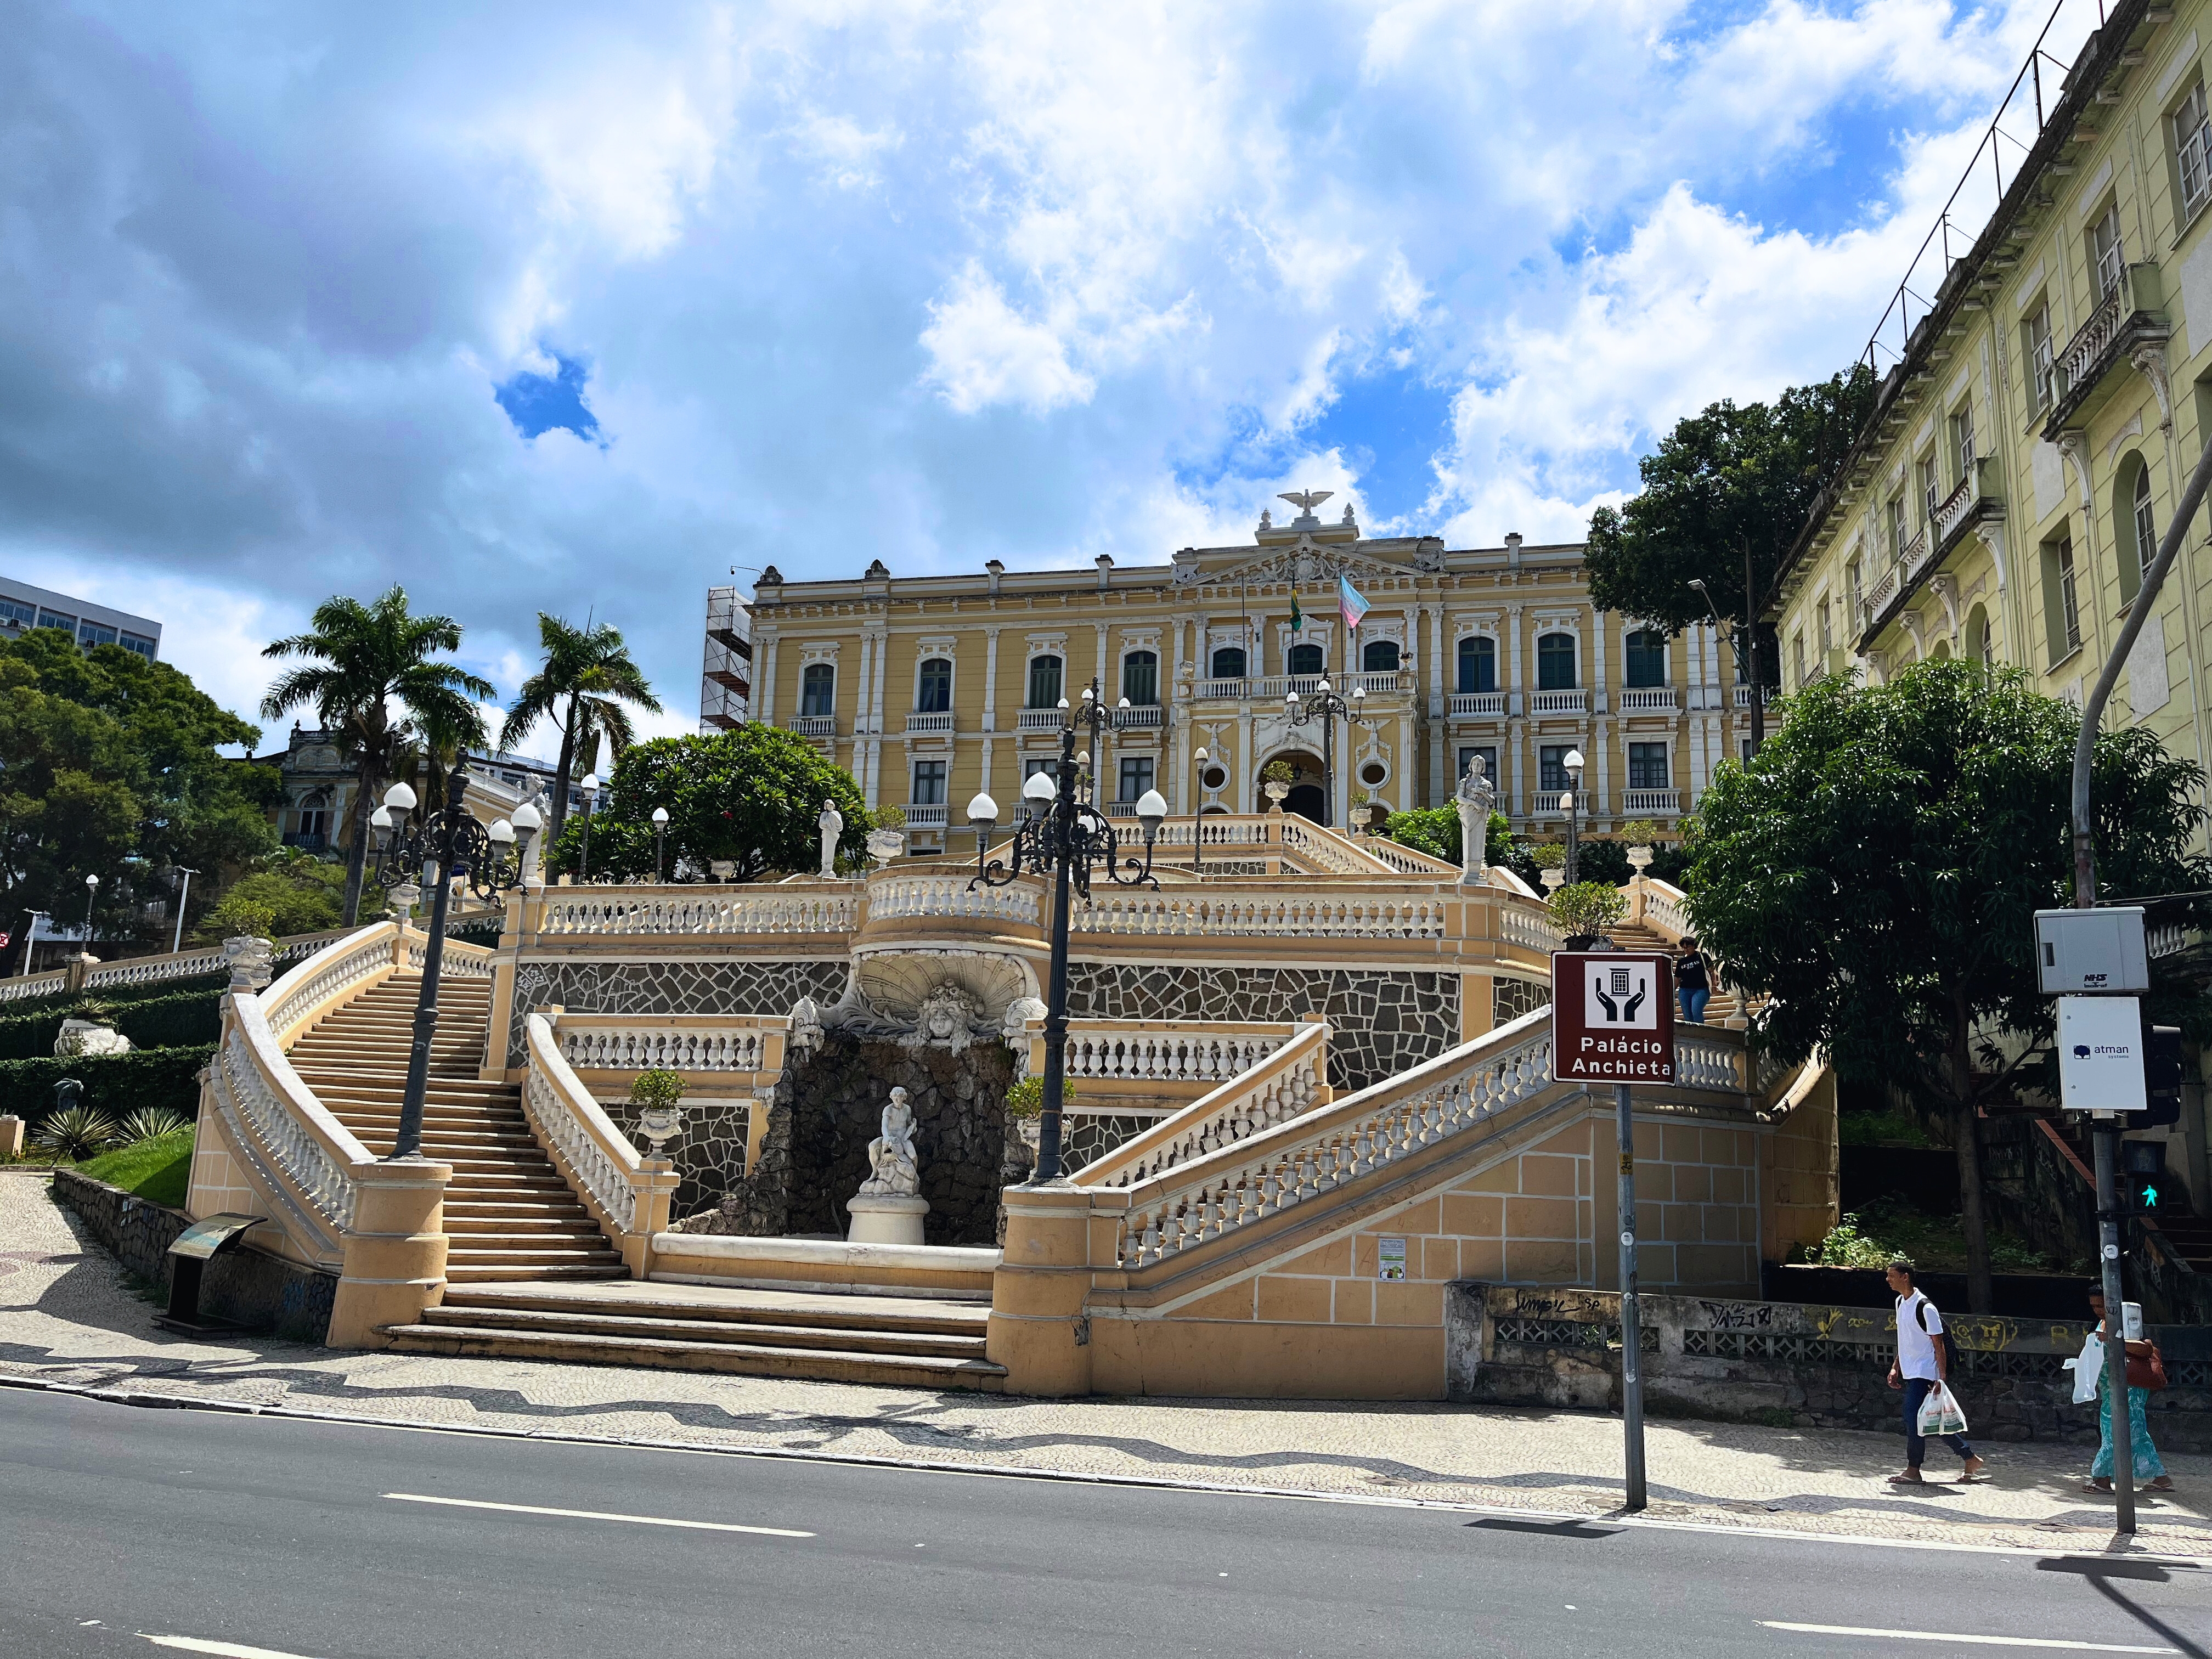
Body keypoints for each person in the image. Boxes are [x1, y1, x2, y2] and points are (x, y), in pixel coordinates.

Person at [1884, 1260, 1985, 1486]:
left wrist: (1941, 1378)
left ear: (1905, 1277)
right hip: (1911, 1371)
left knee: (1913, 1419)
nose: (1888, 1280)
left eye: (1892, 1275)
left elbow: (1938, 1345)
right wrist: (1895, 1367)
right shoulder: (1900, 1302)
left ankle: (1913, 1470)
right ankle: (1970, 1458)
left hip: (1926, 1373)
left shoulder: (1926, 1307)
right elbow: (1906, 1340)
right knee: (1932, 1420)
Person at [2080, 1290, 2173, 1495]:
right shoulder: (2103, 1322)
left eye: (2100, 1305)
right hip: (2113, 1388)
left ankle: (2102, 1479)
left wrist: (2113, 1339)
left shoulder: (2125, 1319)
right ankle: (2161, 1478)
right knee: (2136, 1433)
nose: (2097, 1310)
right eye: (2094, 1306)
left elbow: (2145, 1350)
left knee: (2115, 1431)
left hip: (2128, 1388)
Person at [1674, 938, 1711, 1025]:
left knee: (1696, 1011)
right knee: (1687, 1016)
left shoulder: (1703, 957)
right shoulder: (1681, 961)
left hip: (1701, 989)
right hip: (1685, 990)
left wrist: (1713, 986)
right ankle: (1691, 1035)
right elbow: (1678, 978)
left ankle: (1700, 1032)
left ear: (1694, 946)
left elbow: (1711, 971)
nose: (1686, 950)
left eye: (1689, 947)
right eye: (1684, 948)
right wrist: (1673, 990)